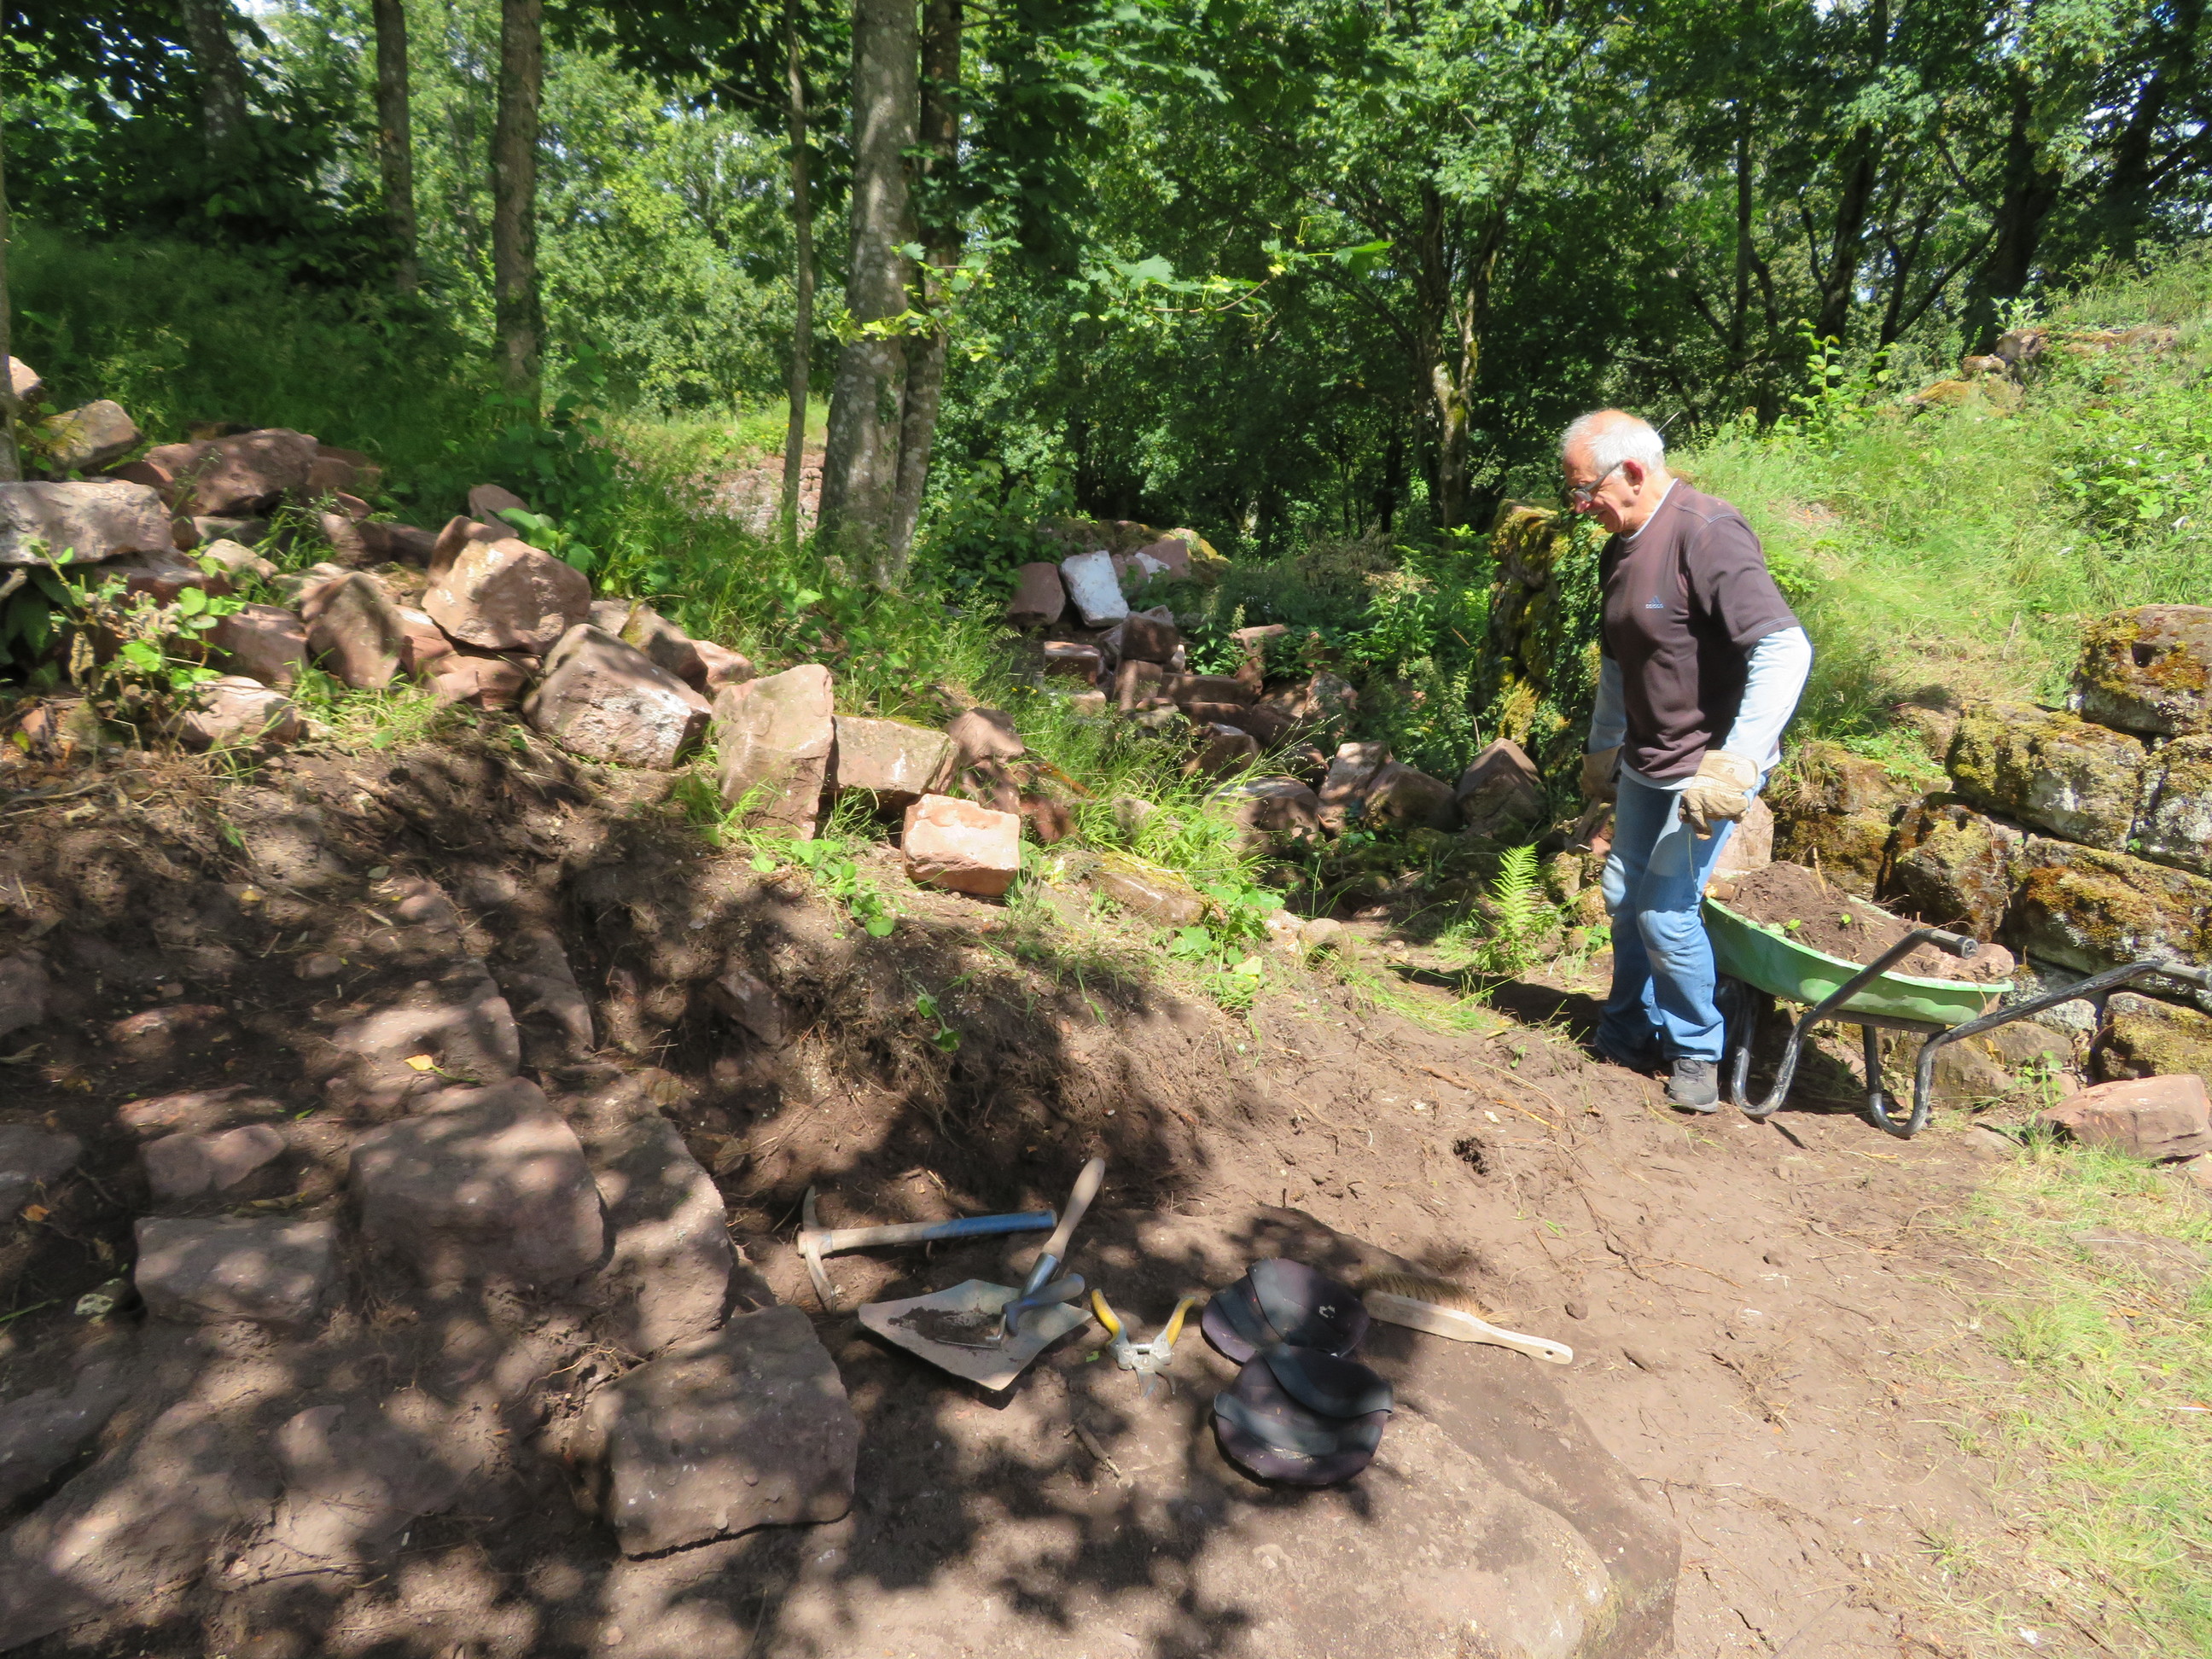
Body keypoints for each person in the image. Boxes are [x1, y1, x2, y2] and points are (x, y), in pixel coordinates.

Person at [1560, 409, 1813, 1110]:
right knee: (1623, 895)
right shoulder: (1621, 546)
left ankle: (1697, 1050)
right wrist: (1603, 747)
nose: (1580, 506)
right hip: (1647, 760)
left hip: (1706, 771)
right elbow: (1619, 661)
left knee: (1667, 912)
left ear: (1631, 472)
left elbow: (1785, 648)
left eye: (1585, 490)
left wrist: (1738, 761)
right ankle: (1628, 1030)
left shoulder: (1707, 532)